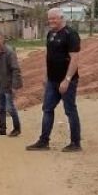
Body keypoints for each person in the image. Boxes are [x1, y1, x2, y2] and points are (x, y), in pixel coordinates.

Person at [27, 8, 82, 152]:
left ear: (61, 18)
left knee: (70, 110)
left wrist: (67, 80)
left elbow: (75, 59)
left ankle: (75, 143)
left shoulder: (71, 34)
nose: (51, 21)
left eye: (54, 18)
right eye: (49, 18)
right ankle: (43, 141)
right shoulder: (50, 34)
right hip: (52, 81)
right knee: (47, 108)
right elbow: (49, 57)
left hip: (66, 81)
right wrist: (46, 76)